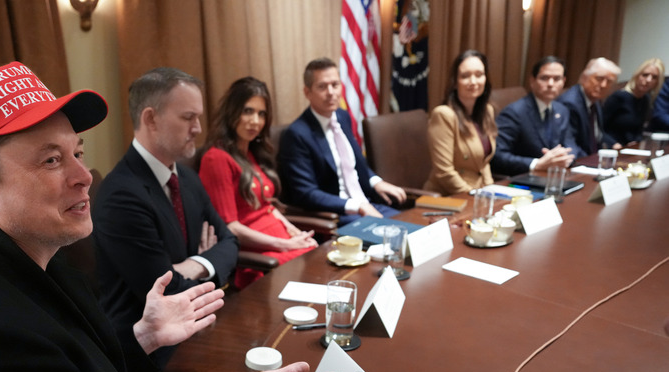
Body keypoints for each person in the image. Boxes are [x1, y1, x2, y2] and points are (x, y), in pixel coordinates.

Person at [0, 61, 337, 372]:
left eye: (78, 151)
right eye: (51, 160)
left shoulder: (35, 260)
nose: (84, 175)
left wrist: (142, 337)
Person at [92, 68, 239, 372]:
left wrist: (195, 263)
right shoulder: (121, 195)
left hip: (199, 325)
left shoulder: (185, 176)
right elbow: (170, 295)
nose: (198, 128)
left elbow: (229, 241)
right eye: (188, 117)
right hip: (153, 353)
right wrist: (208, 264)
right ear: (151, 119)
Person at [197, 77, 317, 289]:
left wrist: (294, 231)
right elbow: (230, 228)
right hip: (257, 256)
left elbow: (266, 206)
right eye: (248, 111)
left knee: (317, 255)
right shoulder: (216, 158)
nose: (256, 121)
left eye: (261, 114)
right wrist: (284, 244)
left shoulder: (251, 152)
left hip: (279, 242)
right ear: (232, 112)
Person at [278, 57, 408, 226]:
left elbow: (353, 164)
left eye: (335, 84)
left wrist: (377, 182)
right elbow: (306, 193)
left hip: (368, 203)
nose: (331, 92)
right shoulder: (297, 134)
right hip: (338, 215)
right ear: (307, 92)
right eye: (322, 87)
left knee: (417, 232)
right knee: (397, 240)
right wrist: (357, 206)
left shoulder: (342, 116)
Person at [491, 56, 583, 176]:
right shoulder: (515, 112)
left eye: (557, 79)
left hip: (556, 176)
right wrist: (536, 164)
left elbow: (571, 144)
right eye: (544, 78)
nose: (550, 84)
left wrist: (565, 157)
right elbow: (497, 155)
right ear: (532, 81)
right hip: (524, 178)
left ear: (563, 82)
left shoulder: (562, 110)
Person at [423, 50, 497, 195]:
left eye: (479, 75)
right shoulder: (444, 115)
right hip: (448, 197)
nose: (473, 81)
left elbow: (484, 163)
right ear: (455, 82)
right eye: (465, 76)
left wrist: (491, 192)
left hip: (479, 194)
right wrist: (473, 197)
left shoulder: (487, 111)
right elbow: (444, 172)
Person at [556, 57, 622, 153]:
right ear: (584, 77)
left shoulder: (595, 101)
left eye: (609, 81)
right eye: (599, 78)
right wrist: (592, 162)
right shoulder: (570, 103)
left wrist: (614, 144)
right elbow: (569, 145)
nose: (603, 85)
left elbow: (598, 134)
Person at [604, 58, 665, 146]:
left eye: (654, 77)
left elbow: (638, 130)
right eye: (645, 75)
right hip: (612, 148)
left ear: (657, 82)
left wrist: (636, 141)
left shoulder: (646, 100)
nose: (648, 80)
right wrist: (613, 143)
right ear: (637, 75)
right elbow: (599, 129)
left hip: (631, 149)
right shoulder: (618, 97)